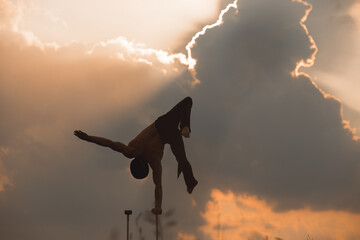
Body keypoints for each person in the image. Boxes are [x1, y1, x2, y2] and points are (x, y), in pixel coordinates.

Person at [74, 97, 198, 215]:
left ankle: (190, 182)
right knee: (187, 101)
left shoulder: (153, 162)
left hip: (169, 133)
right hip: (164, 124)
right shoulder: (132, 151)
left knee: (182, 160)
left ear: (146, 169)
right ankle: (185, 127)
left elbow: (158, 186)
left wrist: (158, 206)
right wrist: (88, 138)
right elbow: (109, 144)